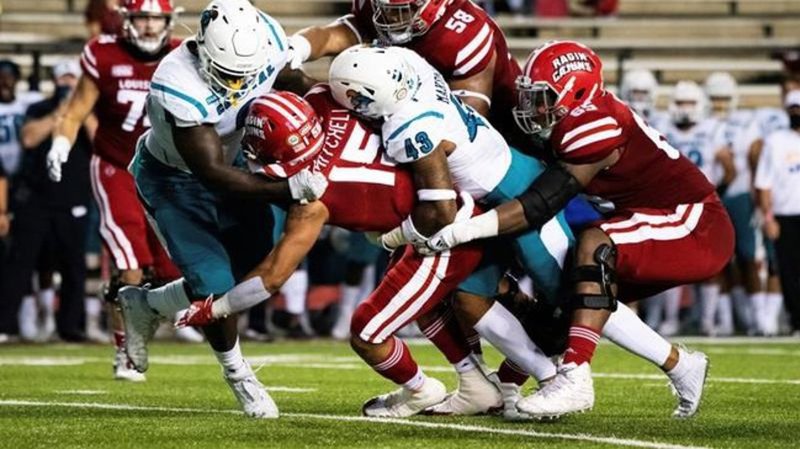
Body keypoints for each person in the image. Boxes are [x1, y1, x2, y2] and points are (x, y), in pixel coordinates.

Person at [422, 40, 734, 419]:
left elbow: (541, 203)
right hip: (649, 218)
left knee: (595, 244)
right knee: (568, 302)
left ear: (578, 94)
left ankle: (575, 377)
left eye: (542, 98)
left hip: (696, 224)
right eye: (529, 96)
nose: (532, 108)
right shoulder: (567, 119)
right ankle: (681, 366)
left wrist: (468, 229)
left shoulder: (595, 123)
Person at [117, 0, 326, 418]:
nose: (239, 83)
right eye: (229, 74)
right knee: (214, 282)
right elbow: (212, 173)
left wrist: (331, 113)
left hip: (238, 160)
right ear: (203, 49)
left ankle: (147, 305)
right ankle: (238, 373)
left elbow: (292, 77)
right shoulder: (177, 82)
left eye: (246, 74)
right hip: (176, 177)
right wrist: (288, 188)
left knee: (254, 266)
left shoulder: (265, 38)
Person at [47, 0, 188, 382]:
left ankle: (135, 310)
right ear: (126, 20)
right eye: (141, 18)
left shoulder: (183, 54)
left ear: (169, 21)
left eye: (155, 19)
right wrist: (61, 142)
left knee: (172, 271)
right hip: (116, 166)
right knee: (131, 266)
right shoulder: (104, 53)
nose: (148, 27)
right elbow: (75, 111)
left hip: (164, 171)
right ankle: (125, 350)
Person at [286, 0, 523, 143]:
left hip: (499, 129)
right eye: (384, 7)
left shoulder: (466, 34)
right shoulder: (374, 7)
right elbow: (332, 36)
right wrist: (293, 49)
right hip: (402, 104)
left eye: (402, 10)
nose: (389, 18)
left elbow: (464, 129)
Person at [0, 60, 93, 343]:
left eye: (71, 79)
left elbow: (98, 138)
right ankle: (7, 325)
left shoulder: (89, 110)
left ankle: (71, 327)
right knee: (21, 263)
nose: (67, 84)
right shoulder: (39, 108)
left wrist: (78, 113)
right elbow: (28, 139)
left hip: (73, 198)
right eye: (62, 79)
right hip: (37, 198)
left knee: (73, 267)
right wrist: (60, 114)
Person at [660, 80, 735, 336]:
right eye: (681, 103)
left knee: (711, 263)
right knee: (670, 263)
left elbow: (729, 168)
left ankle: (707, 321)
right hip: (671, 203)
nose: (685, 108)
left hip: (703, 204)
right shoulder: (662, 128)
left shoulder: (713, 129)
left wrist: (715, 194)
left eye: (690, 103)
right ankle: (671, 319)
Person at [754, 89, 800, 336]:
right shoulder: (776, 141)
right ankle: (796, 320)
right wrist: (768, 217)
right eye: (793, 108)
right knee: (788, 270)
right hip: (785, 214)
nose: (797, 113)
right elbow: (764, 183)